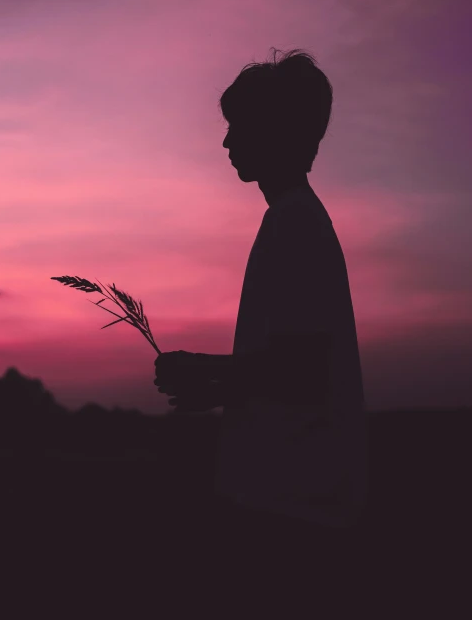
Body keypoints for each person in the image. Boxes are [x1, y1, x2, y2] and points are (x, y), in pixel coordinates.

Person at [154, 48, 369, 607]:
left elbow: (302, 373)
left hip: (293, 507)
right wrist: (218, 387)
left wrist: (204, 372)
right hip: (295, 501)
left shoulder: (294, 226)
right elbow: (289, 367)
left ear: (275, 132)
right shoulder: (294, 219)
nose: (226, 143)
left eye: (238, 128)